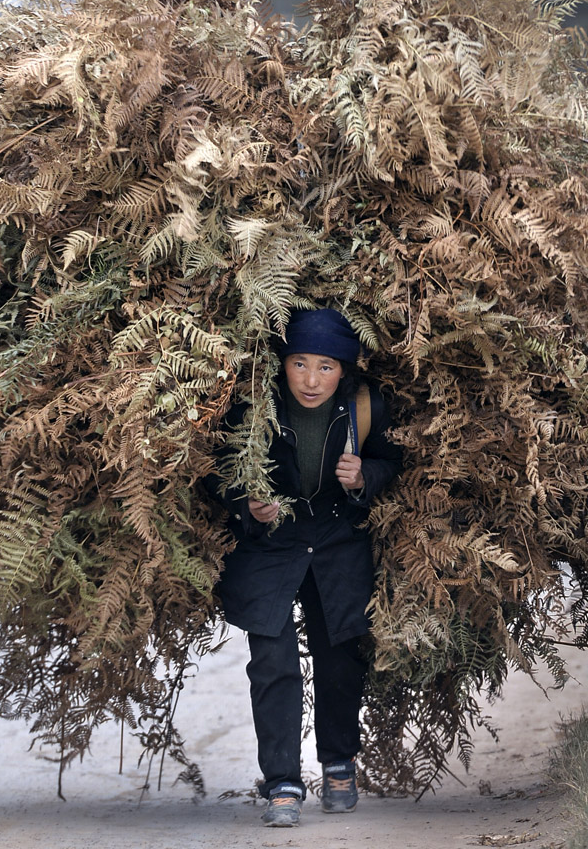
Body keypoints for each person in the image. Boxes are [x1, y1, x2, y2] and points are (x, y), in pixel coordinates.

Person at [205, 308, 402, 827]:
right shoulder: (251, 409)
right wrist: (248, 505)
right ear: (281, 365)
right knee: (272, 664)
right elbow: (212, 472)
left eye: (325, 367)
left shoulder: (365, 407)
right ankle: (283, 784)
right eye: (299, 364)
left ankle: (338, 761)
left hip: (338, 542)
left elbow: (395, 462)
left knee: (339, 658)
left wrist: (365, 476)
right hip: (270, 547)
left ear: (345, 370)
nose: (311, 380)